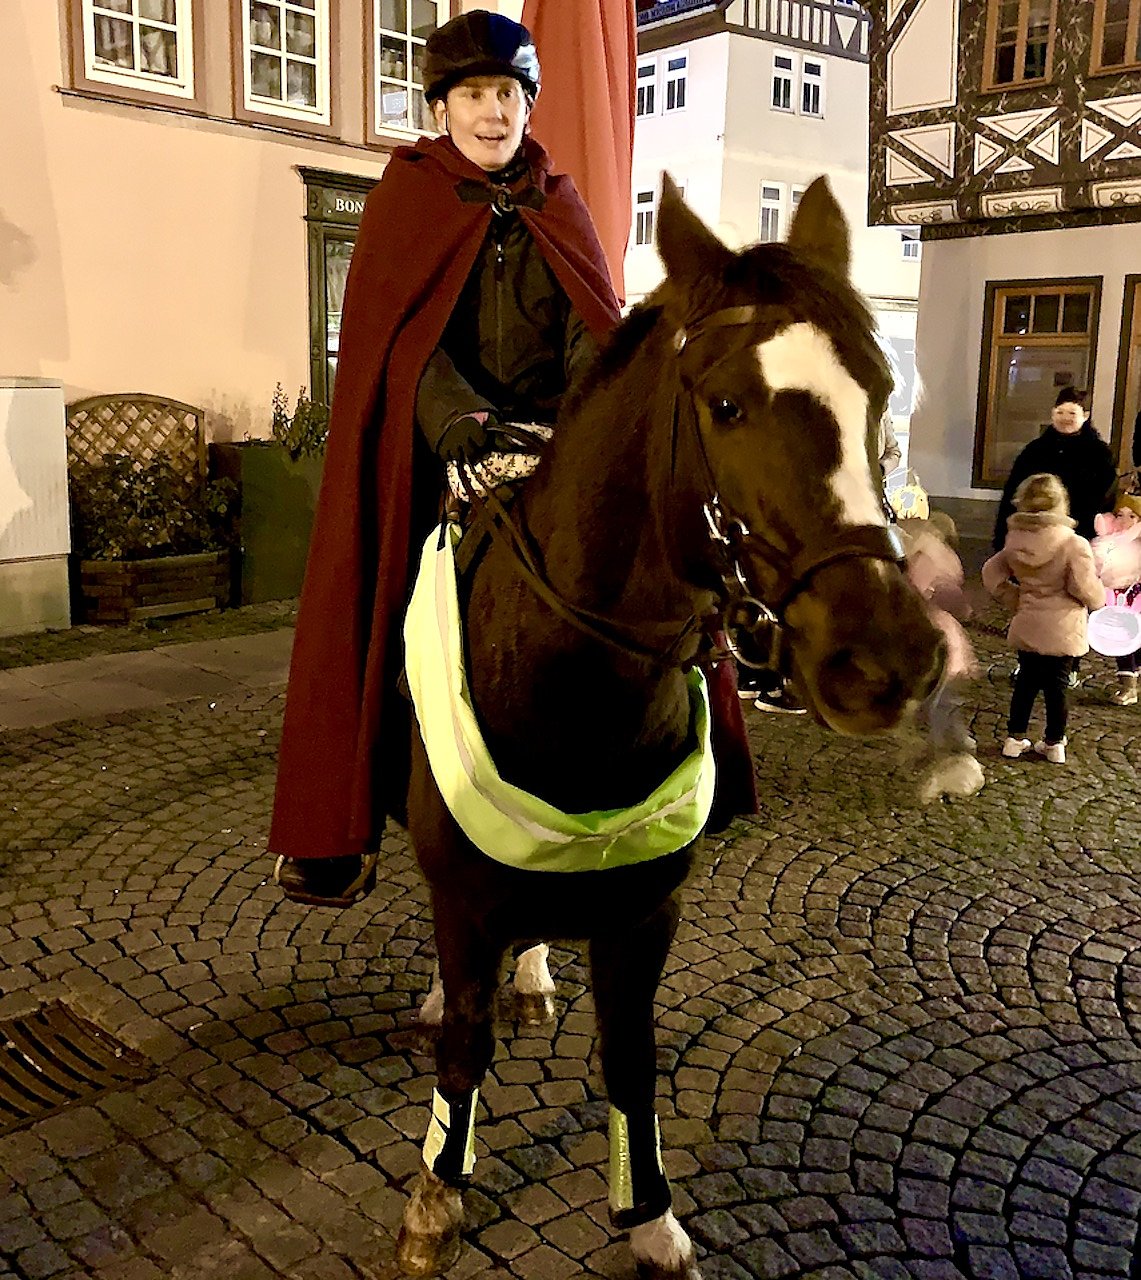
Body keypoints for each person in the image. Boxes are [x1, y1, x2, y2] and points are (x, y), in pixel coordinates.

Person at [269, 11, 756, 906]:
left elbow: (590, 327)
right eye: (473, 95)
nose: (492, 112)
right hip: (446, 445)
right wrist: (453, 415)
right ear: (442, 107)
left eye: (507, 94)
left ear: (527, 105)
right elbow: (398, 343)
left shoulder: (556, 203)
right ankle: (358, 810)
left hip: (554, 436)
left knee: (650, 556)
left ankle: (697, 743)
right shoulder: (405, 199)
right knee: (395, 605)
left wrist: (581, 421)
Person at [982, 473, 1105, 765]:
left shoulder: (1015, 541)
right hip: (1063, 627)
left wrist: (1014, 597)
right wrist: (1099, 601)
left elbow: (991, 572)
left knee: (1025, 682)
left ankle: (1014, 738)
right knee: (1057, 687)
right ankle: (1054, 743)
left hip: (1028, 621)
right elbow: (1083, 588)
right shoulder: (1073, 544)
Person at [898, 513, 983, 801]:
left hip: (931, 644)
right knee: (938, 702)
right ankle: (947, 748)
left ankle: (952, 751)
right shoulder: (941, 559)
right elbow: (953, 601)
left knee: (938, 704)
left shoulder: (919, 560)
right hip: (941, 643)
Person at [993, 386, 1116, 548]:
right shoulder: (1035, 450)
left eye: (1072, 413)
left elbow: (1104, 499)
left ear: (1085, 416)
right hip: (1032, 533)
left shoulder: (1100, 454)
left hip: (1078, 536)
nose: (1065, 418)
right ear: (1052, 414)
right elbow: (1012, 491)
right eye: (1060, 412)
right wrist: (1002, 535)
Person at [1090, 499, 1141, 705]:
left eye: (1132, 516)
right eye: (1120, 515)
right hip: (1116, 600)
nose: (1124, 520)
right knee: (1122, 641)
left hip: (1135, 599)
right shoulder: (1107, 542)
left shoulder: (1137, 544)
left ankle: (1130, 687)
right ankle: (1129, 684)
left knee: (1130, 641)